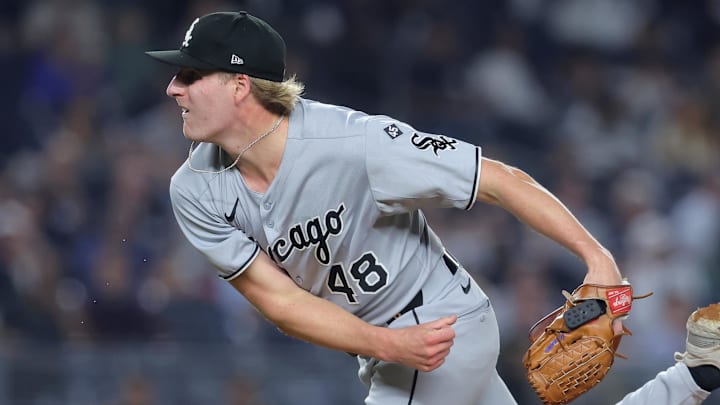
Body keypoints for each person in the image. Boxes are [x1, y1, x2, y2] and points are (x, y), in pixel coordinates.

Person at [145, 10, 718, 404]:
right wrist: (382, 346)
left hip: (442, 325)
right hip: (392, 346)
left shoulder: (355, 142)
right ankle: (695, 375)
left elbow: (500, 180)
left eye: (191, 74)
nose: (173, 87)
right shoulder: (195, 189)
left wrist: (599, 260)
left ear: (241, 85)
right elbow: (280, 302)